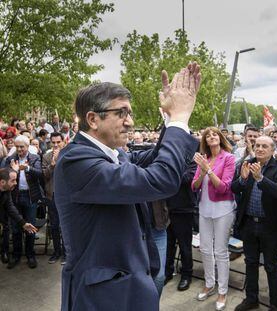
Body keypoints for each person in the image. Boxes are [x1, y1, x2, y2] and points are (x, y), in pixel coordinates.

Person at [54, 63, 201, 311]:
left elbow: (157, 157)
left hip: (129, 286)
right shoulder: (76, 160)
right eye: (122, 113)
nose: (130, 122)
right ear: (93, 119)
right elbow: (160, 178)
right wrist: (179, 117)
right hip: (104, 297)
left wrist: (169, 119)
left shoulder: (115, 154)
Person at [231, 135, 277, 311]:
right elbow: (234, 189)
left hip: (269, 225)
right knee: (251, 262)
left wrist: (261, 179)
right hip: (249, 223)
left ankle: (275, 304)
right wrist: (242, 179)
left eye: (264, 146)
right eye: (257, 145)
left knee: (271, 266)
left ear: (272, 150)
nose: (260, 149)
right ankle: (251, 298)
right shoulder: (247, 164)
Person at [191, 127, 236, 311]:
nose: (211, 137)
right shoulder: (204, 159)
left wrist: (208, 171)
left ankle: (222, 291)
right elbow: (194, 186)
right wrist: (202, 171)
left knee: (220, 251)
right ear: (205, 141)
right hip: (205, 209)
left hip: (223, 209)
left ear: (220, 138)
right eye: (207, 136)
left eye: (214, 134)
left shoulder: (229, 158)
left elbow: (224, 187)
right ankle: (209, 284)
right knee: (205, 248)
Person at [5, 135, 43, 269]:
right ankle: (16, 255)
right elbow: (4, 176)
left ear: (27, 147)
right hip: (14, 197)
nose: (19, 149)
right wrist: (13, 171)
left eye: (22, 146)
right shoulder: (10, 159)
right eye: (17, 146)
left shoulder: (34, 158)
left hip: (29, 197)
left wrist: (27, 168)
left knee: (30, 227)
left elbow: (40, 174)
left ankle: (30, 255)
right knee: (16, 228)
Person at [164, 160, 197, 291]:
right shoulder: (168, 158)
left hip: (184, 209)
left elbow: (187, 179)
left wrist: (168, 172)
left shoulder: (192, 162)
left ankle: (186, 275)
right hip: (166, 209)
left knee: (185, 246)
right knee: (168, 244)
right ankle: (167, 272)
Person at [42, 132, 66, 264]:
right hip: (51, 196)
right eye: (53, 142)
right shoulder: (46, 156)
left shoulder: (69, 155)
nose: (56, 145)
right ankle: (56, 252)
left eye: (58, 142)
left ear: (63, 142)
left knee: (65, 226)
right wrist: (52, 164)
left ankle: (66, 254)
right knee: (55, 226)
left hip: (66, 197)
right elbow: (44, 175)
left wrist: (60, 160)